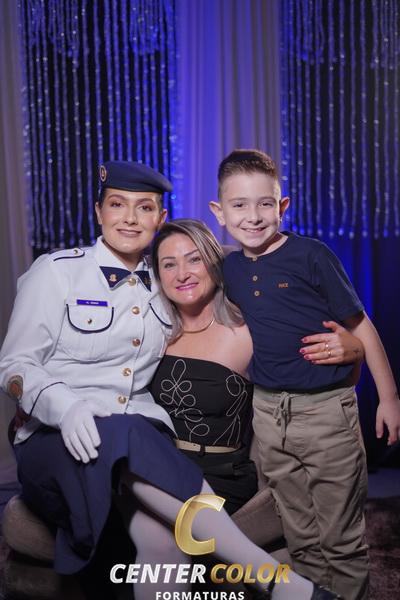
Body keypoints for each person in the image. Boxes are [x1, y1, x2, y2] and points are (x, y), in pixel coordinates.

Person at [0, 160, 342, 600]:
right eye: (117, 205)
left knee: (163, 543)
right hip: (58, 440)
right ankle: (278, 584)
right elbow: (14, 366)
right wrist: (62, 406)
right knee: (128, 431)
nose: (129, 218)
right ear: (98, 212)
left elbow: (254, 285)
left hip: (136, 450)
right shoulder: (56, 272)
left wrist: (350, 342)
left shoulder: (164, 286)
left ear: (159, 218)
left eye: (144, 208)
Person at [209, 149, 400, 600]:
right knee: (300, 537)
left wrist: (389, 397)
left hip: (325, 412)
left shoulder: (312, 255)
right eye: (239, 205)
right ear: (219, 212)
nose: (253, 216)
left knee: (340, 539)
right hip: (268, 414)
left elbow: (361, 327)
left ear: (283, 206)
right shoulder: (229, 268)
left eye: (265, 203)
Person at [150, 218, 364, 516]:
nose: (182, 273)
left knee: (178, 534)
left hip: (220, 480)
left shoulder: (249, 330)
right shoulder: (151, 331)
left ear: (214, 263)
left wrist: (354, 350)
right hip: (159, 469)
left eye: (194, 259)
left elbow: (331, 378)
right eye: (169, 264)